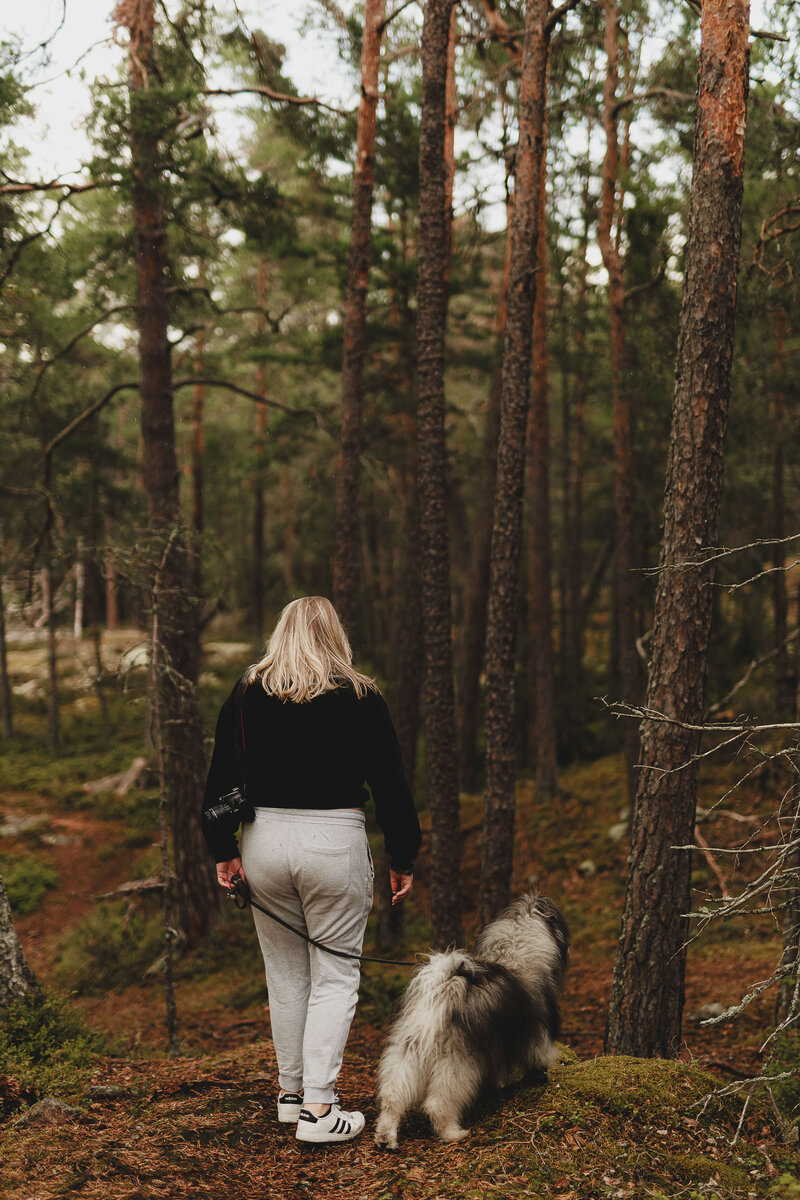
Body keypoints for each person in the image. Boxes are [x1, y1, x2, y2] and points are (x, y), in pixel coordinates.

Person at [202, 596, 421, 1145]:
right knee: (336, 974)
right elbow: (391, 783)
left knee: (287, 975)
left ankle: (292, 1095)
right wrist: (403, 855)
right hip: (332, 840)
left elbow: (222, 772)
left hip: (263, 841)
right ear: (335, 634)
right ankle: (320, 1112)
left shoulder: (250, 689)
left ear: (282, 632)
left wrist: (221, 847)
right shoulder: (361, 694)